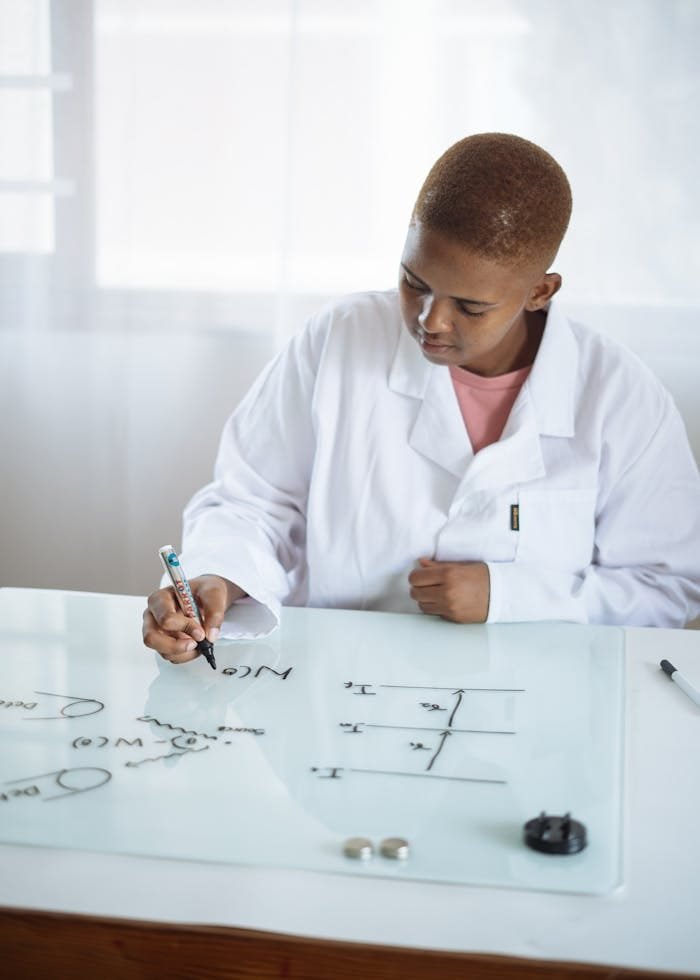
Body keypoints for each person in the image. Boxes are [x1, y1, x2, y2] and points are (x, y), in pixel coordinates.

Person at [143, 133, 700, 663]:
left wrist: (511, 597)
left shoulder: (620, 396)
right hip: (338, 692)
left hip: (536, 709)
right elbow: (253, 500)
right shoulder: (340, 337)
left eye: (470, 306)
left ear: (539, 291)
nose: (430, 320)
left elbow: (667, 587)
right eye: (415, 281)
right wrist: (221, 577)